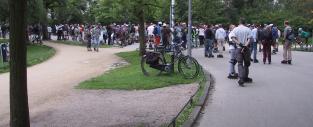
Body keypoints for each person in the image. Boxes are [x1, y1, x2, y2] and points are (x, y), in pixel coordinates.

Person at [230, 18, 253, 87]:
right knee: (246, 63)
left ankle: (241, 78)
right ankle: (245, 77)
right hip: (246, 48)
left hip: (238, 48)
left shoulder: (235, 29)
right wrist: (245, 46)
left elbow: (233, 38)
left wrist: (240, 44)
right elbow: (249, 39)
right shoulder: (248, 29)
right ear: (245, 22)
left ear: (239, 22)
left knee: (240, 63)